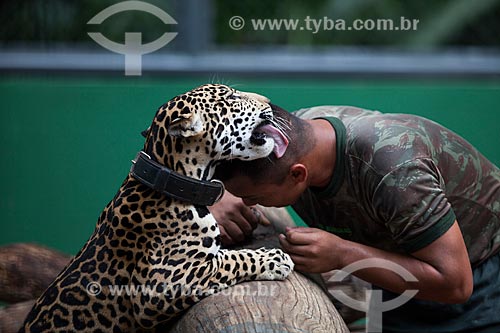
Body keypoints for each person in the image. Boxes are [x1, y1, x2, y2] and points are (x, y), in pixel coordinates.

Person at [209, 103, 500, 333]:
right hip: (399, 274)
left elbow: (456, 284)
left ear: (298, 174)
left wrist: (342, 254)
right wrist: (217, 196)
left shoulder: (395, 172)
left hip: (483, 276)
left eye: (254, 197)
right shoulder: (285, 137)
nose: (247, 203)